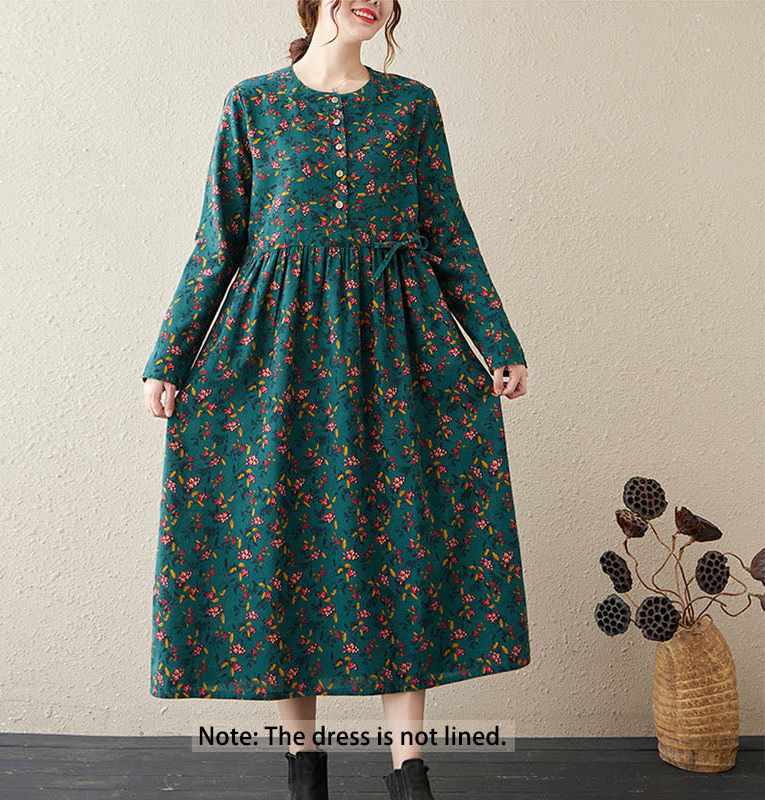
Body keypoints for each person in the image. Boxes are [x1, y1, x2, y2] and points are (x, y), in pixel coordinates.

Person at [141, 2, 531, 798]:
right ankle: (304, 766)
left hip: (399, 354)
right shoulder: (253, 104)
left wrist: (498, 342)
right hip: (277, 356)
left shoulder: (411, 106)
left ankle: (409, 769)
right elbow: (219, 241)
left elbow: (447, 232)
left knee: (404, 541)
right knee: (284, 539)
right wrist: (170, 357)